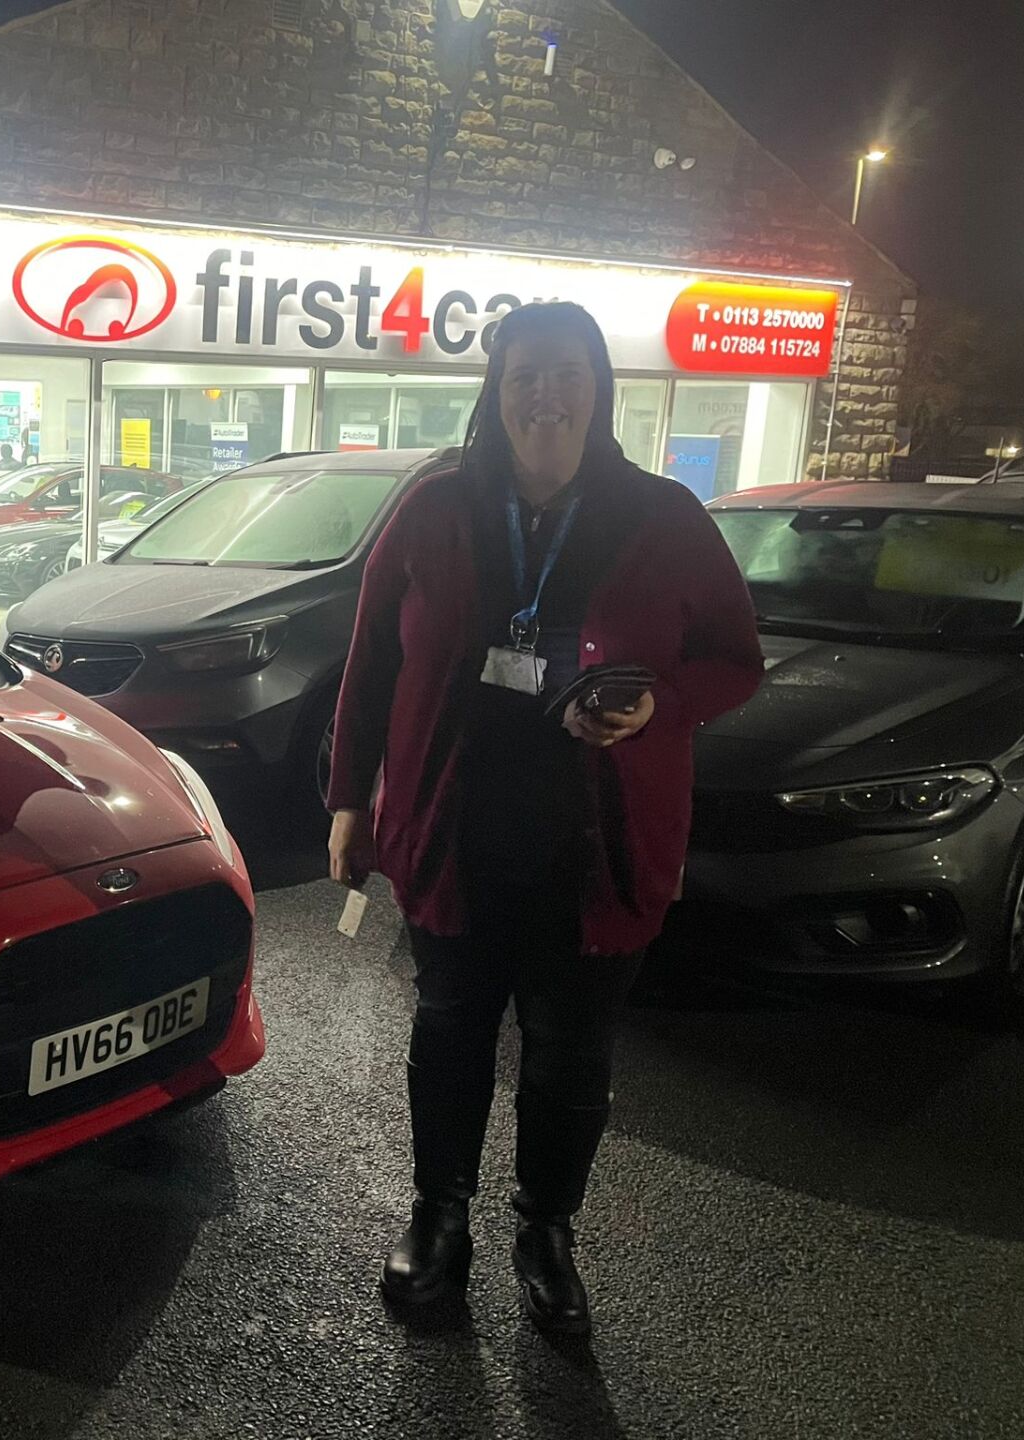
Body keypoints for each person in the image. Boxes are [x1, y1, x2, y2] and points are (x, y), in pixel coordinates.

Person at [325, 302, 763, 1336]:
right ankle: (440, 1215)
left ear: (599, 388)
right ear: (497, 389)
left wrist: (663, 704)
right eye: (525, 374)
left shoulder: (664, 517)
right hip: (455, 835)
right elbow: (370, 664)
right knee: (448, 1035)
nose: (545, 395)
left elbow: (737, 661)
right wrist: (347, 798)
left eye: (567, 373)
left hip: (595, 848)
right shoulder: (432, 508)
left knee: (570, 1056)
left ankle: (545, 1230)